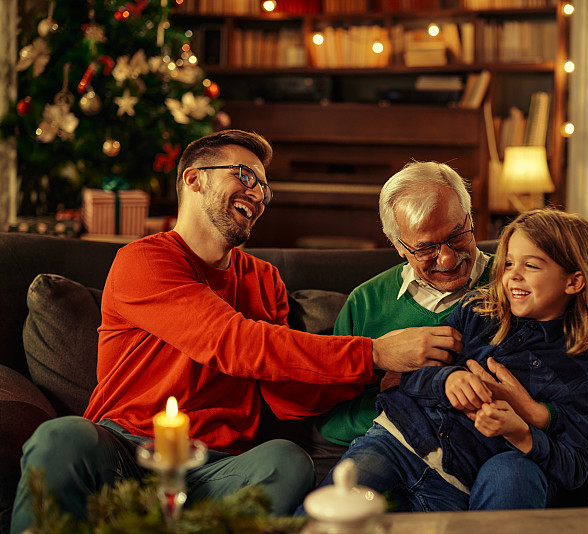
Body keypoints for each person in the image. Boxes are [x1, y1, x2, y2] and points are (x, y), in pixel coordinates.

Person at [11, 130, 462, 533]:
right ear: (194, 179)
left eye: (264, 186)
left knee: (285, 460)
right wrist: (374, 353)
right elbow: (230, 342)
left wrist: (368, 378)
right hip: (124, 451)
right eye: (245, 175)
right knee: (61, 436)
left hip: (216, 470)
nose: (259, 193)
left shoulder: (264, 279)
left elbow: (284, 397)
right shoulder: (144, 260)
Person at [312, 207, 588, 512]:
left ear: (574, 281)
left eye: (531, 266)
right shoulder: (477, 310)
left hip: (455, 482)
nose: (513, 275)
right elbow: (408, 377)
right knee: (322, 516)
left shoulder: (579, 369)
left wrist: (521, 430)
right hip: (395, 440)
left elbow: (576, 466)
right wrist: (447, 379)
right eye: (510, 263)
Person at [310, 161, 493, 482]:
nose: (448, 259)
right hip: (385, 453)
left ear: (470, 218)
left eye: (457, 236)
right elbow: (331, 419)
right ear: (397, 245)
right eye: (425, 248)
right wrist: (398, 400)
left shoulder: (519, 287)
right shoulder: (365, 302)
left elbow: (586, 398)